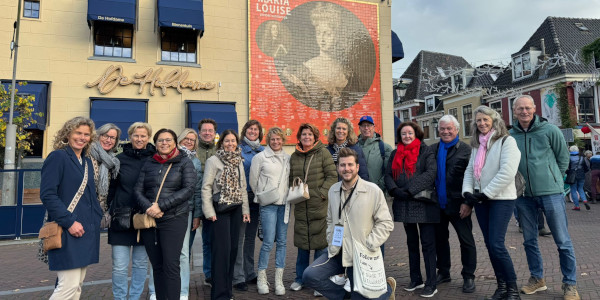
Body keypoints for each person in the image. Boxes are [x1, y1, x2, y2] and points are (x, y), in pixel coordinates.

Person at [510, 95, 579, 300]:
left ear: (534, 109)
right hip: (523, 195)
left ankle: (570, 284)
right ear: (515, 111)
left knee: (562, 240)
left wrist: (554, 180)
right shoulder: (510, 135)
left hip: (551, 193)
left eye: (527, 108)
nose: (524, 112)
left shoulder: (550, 130)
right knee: (529, 241)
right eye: (520, 108)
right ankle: (537, 279)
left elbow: (563, 158)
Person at [302, 148, 396, 300]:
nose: (346, 169)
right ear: (338, 167)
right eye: (342, 165)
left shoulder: (373, 191)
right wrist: (331, 239)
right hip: (337, 251)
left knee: (364, 296)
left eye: (350, 165)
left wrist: (368, 244)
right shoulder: (333, 190)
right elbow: (330, 219)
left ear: (357, 167)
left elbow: (385, 223)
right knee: (309, 276)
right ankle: (345, 296)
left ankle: (386, 292)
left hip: (360, 255)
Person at [462, 106, 521, 300]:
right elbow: (470, 170)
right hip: (481, 200)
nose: (482, 123)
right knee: (489, 244)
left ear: (494, 120)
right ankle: (502, 286)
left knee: (496, 244)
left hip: (501, 199)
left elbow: (507, 171)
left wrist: (486, 193)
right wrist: (468, 193)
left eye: (485, 120)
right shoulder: (477, 144)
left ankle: (512, 289)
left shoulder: (507, 141)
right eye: (478, 121)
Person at [40, 116, 101, 300]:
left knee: (77, 287)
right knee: (68, 286)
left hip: (86, 230)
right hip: (68, 229)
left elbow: (91, 195)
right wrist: (69, 222)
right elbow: (48, 195)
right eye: (78, 133)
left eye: (86, 134)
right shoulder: (58, 157)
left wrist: (96, 218)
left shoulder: (87, 161)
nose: (82, 137)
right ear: (67, 134)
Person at [135, 129, 196, 300]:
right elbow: (138, 190)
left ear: (175, 142)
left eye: (168, 140)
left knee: (171, 265)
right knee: (157, 265)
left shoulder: (184, 162)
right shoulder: (149, 163)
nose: (164, 143)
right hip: (150, 220)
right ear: (155, 143)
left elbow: (188, 189)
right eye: (160, 140)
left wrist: (160, 206)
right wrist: (149, 207)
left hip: (174, 218)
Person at [384, 121, 438, 298]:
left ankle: (431, 283)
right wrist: (394, 190)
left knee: (428, 245)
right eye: (403, 134)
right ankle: (416, 278)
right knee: (411, 243)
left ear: (416, 134)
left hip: (423, 203)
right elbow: (388, 174)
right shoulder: (395, 153)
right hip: (405, 204)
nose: (406, 137)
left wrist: (408, 189)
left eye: (410, 133)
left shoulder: (425, 151)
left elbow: (430, 173)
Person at [289, 123, 338, 294]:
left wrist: (322, 194)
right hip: (302, 207)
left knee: (320, 246)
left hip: (320, 206)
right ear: (300, 137)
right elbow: (290, 178)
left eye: (310, 134)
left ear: (315, 136)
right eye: (304, 134)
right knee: (302, 246)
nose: (307, 137)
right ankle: (300, 278)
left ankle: (318, 282)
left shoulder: (323, 153)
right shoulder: (294, 156)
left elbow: (332, 175)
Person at [202, 129, 251, 300]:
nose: (230, 144)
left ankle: (228, 292)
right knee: (221, 252)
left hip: (236, 208)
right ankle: (219, 294)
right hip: (219, 209)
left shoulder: (239, 161)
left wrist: (245, 211)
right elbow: (206, 187)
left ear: (237, 143)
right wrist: (209, 211)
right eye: (227, 141)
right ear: (221, 142)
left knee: (232, 250)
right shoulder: (213, 161)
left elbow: (242, 187)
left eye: (233, 141)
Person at [108, 122, 154, 300]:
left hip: (144, 219)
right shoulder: (119, 159)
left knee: (141, 264)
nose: (139, 139)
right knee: (119, 265)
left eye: (143, 136)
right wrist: (107, 210)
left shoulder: (154, 159)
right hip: (121, 218)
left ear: (148, 137)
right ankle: (120, 298)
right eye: (136, 135)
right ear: (130, 136)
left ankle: (134, 297)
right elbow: (111, 188)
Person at [431, 115, 476, 293]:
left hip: (459, 204)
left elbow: (472, 177)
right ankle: (443, 271)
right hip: (438, 204)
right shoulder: (433, 149)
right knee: (440, 240)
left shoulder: (466, 150)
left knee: (466, 241)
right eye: (442, 129)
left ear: (456, 130)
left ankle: (468, 276)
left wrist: (468, 202)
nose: (446, 131)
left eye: (449, 128)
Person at [281, 2, 350, 112]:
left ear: (336, 36)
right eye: (318, 33)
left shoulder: (344, 70)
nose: (322, 39)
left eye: (327, 34)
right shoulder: (307, 67)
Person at [249, 127, 291, 295]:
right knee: (267, 242)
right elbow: (253, 181)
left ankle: (279, 280)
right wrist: (263, 195)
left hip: (285, 205)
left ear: (283, 140)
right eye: (273, 139)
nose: (276, 142)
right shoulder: (260, 157)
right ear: (268, 140)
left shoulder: (288, 158)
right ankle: (261, 277)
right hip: (268, 205)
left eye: (279, 139)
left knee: (282, 242)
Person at [233, 120, 264, 291]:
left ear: (260, 132)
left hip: (256, 199)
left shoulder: (263, 151)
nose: (253, 131)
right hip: (241, 199)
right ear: (245, 131)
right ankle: (238, 276)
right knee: (239, 238)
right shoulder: (238, 150)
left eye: (256, 129)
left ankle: (249, 272)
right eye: (250, 129)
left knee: (250, 239)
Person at [197, 118, 218, 287]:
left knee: (213, 239)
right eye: (204, 130)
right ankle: (208, 273)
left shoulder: (220, 150)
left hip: (215, 202)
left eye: (210, 131)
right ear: (199, 132)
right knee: (203, 240)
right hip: (196, 200)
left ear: (214, 133)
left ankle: (213, 272)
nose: (207, 133)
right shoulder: (193, 150)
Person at [89, 123, 121, 219]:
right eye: (105, 136)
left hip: (100, 212)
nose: (108, 140)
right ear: (98, 136)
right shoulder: (86, 155)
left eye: (112, 138)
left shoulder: (114, 161)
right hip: (83, 209)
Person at [357, 115, 393, 193]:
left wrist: (380, 186)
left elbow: (389, 171)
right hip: (357, 191)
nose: (366, 128)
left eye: (369, 125)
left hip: (378, 191)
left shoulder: (385, 148)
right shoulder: (354, 147)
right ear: (359, 128)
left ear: (373, 127)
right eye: (363, 126)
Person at [568, 145, 590, 211]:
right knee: (580, 188)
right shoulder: (582, 158)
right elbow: (586, 168)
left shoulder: (569, 158)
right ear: (577, 150)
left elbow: (567, 167)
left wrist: (568, 173)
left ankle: (577, 206)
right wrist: (583, 172)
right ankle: (585, 200)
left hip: (572, 175)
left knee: (573, 190)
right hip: (581, 175)